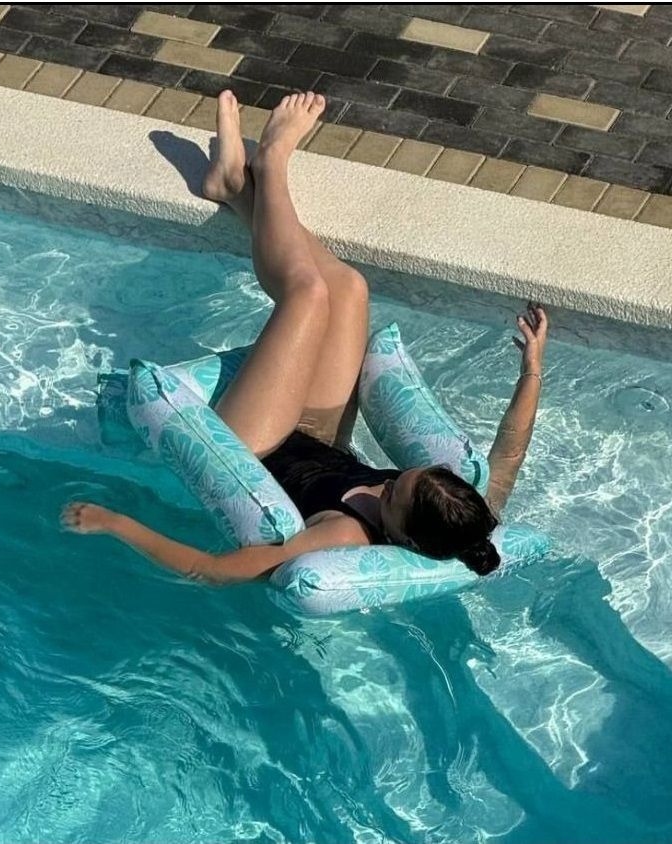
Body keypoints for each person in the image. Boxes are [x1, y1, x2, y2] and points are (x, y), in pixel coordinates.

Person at [62, 90, 548, 584]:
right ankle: (234, 188)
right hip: (319, 433)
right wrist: (532, 369)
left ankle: (272, 163)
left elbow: (214, 571)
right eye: (401, 477)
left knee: (307, 295)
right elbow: (508, 454)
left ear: (404, 537)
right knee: (349, 287)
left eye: (392, 493)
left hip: (255, 443)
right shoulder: (460, 512)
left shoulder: (344, 534)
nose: (387, 483)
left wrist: (115, 523)